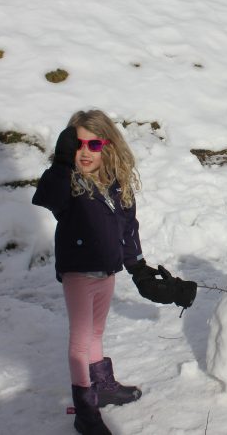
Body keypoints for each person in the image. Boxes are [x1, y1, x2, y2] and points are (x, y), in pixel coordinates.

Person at [32, 109, 197, 435]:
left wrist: (139, 271)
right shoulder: (68, 185)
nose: (84, 152)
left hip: (106, 272)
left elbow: (127, 230)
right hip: (78, 273)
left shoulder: (117, 186)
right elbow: (45, 197)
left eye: (93, 145)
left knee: (95, 334)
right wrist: (61, 165)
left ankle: (102, 386)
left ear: (107, 146)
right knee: (80, 341)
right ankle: (85, 410)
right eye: (77, 145)